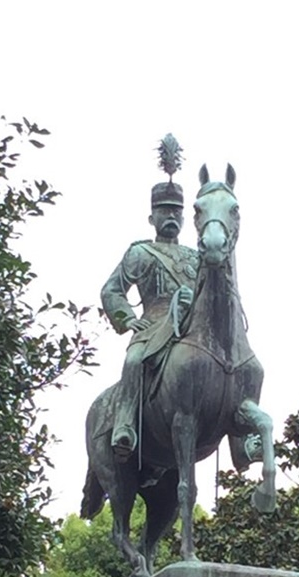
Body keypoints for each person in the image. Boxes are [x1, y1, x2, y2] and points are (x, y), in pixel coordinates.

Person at [101, 177, 198, 460]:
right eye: (164, 210)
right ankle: (125, 425)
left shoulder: (197, 256)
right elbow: (112, 290)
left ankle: (241, 442)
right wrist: (128, 318)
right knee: (134, 361)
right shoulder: (140, 253)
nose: (171, 216)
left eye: (176, 211)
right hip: (154, 324)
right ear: (151, 217)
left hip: (193, 327)